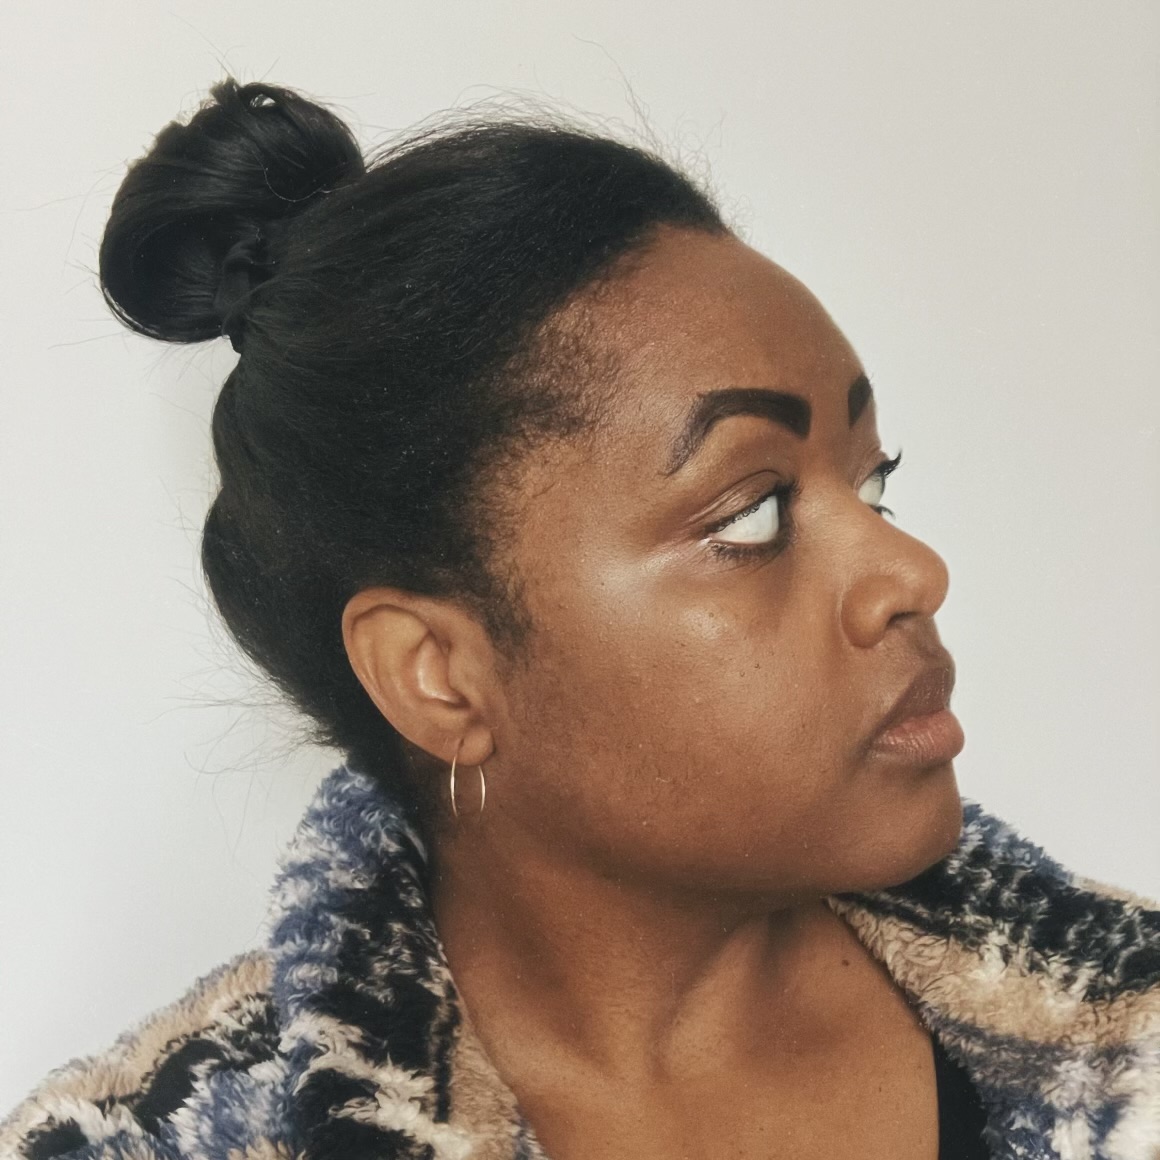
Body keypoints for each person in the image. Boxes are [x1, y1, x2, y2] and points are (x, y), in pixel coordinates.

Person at [2, 78, 1157, 1160]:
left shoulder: (1129, 1025)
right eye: (751, 514)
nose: (909, 571)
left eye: (871, 483)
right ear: (437, 673)